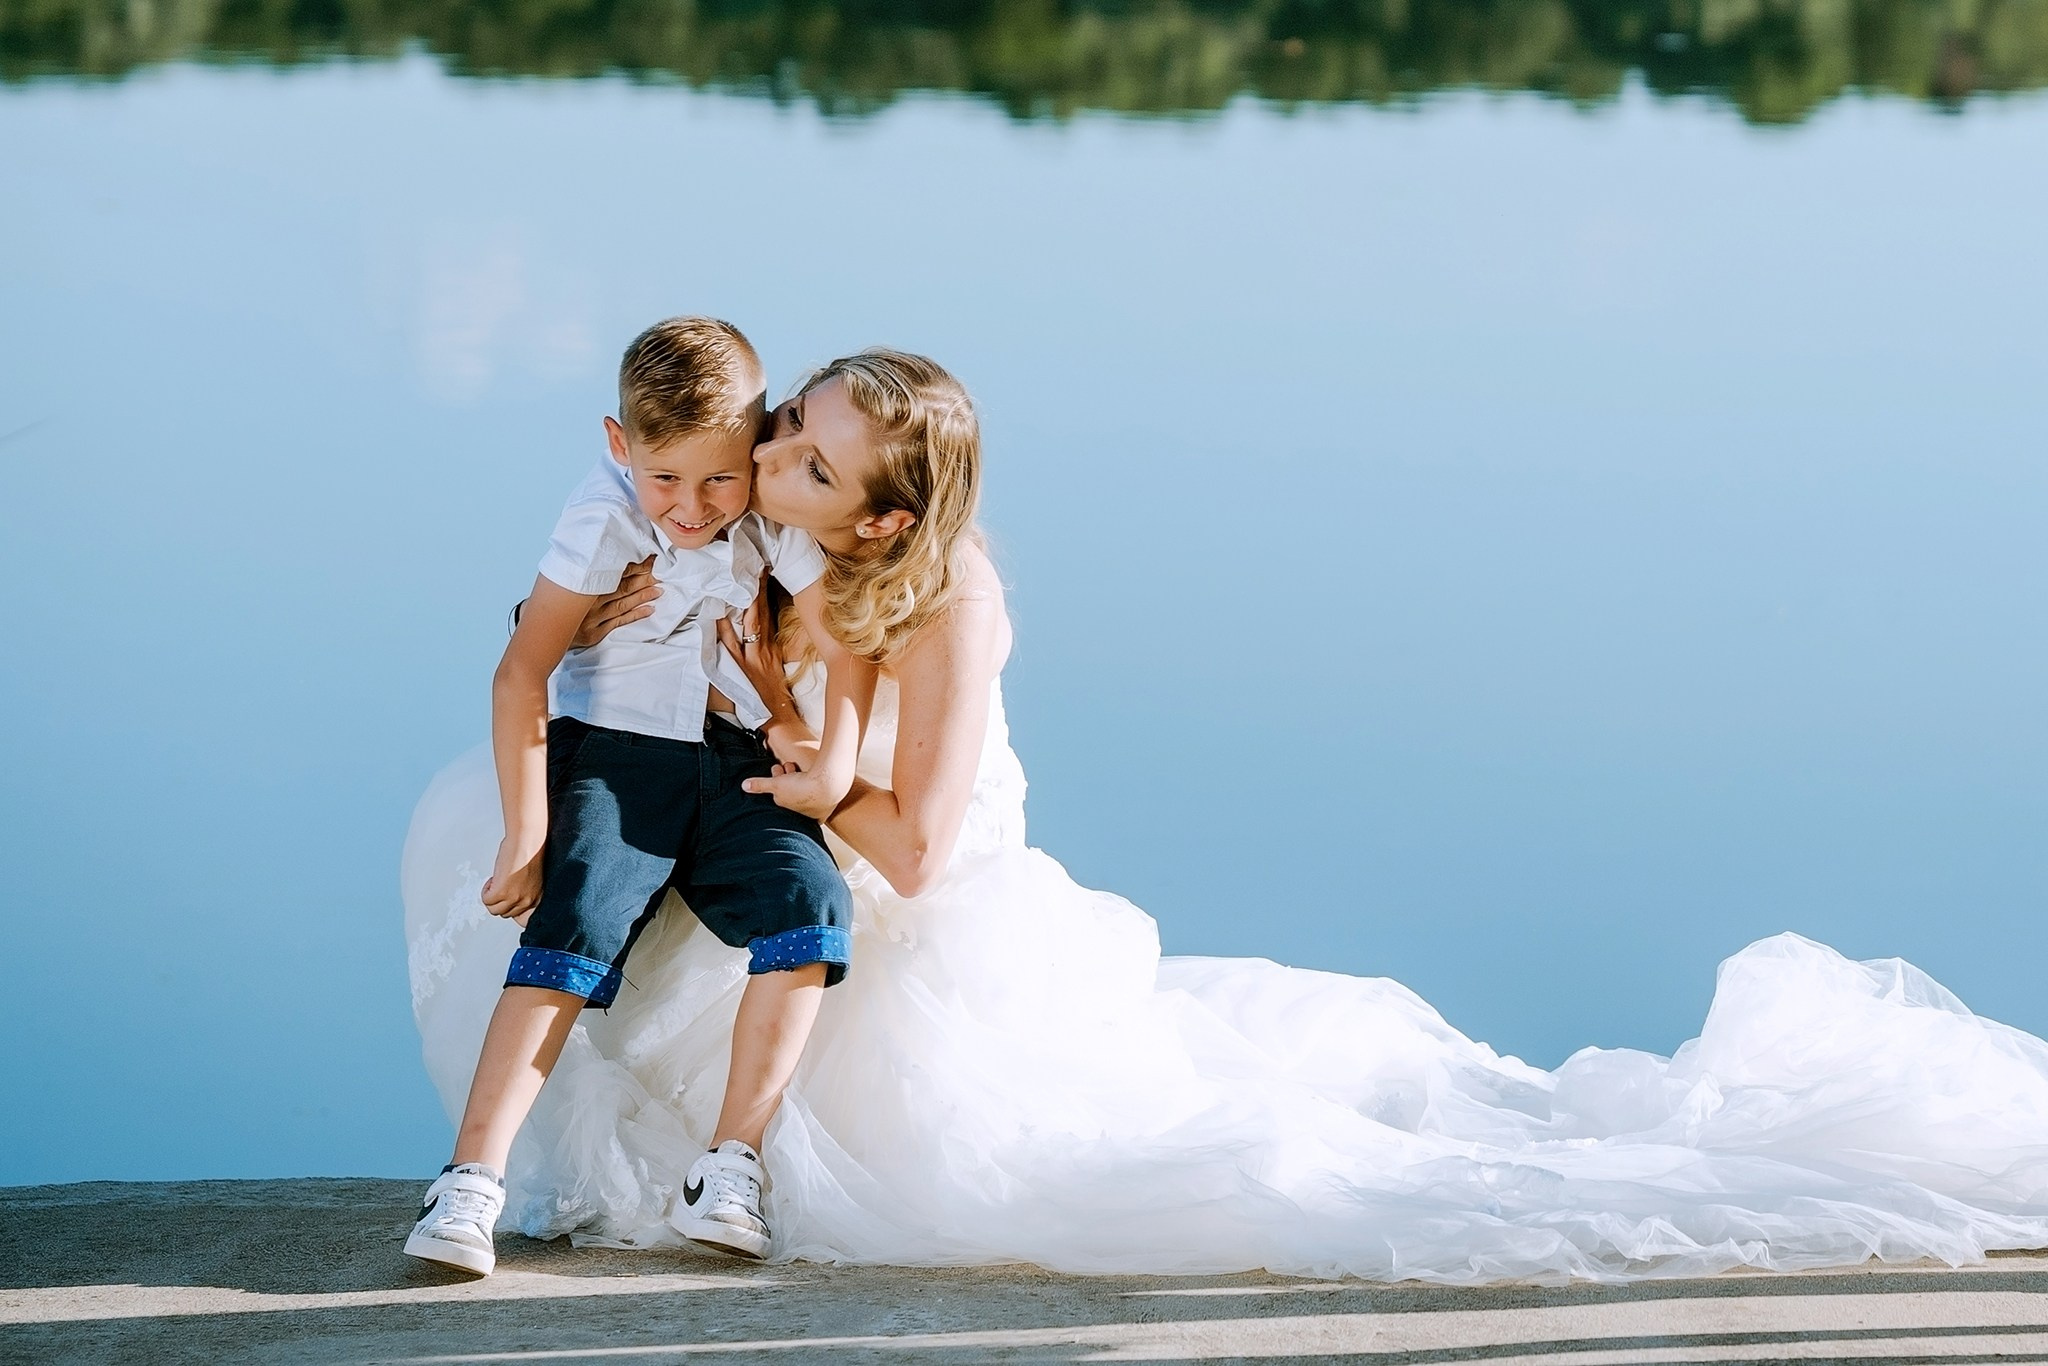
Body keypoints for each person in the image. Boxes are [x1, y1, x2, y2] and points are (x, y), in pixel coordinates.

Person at [405, 346, 2048, 1283]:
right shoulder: (768, 545)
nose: (760, 465)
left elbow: (908, 842)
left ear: (878, 509)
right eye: (779, 438)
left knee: (1092, 1160)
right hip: (767, 811)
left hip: (909, 876)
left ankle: (718, 1158)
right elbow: (671, 612)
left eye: (797, 459)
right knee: (528, 845)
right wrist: (646, 637)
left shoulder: (945, 600)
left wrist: (825, 778)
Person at [404, 318, 871, 1276]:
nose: (692, 507)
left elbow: (844, 639)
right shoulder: (602, 514)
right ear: (621, 447)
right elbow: (520, 670)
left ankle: (730, 1165)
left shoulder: (769, 510)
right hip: (616, 751)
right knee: (578, 912)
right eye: (665, 478)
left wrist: (830, 759)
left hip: (733, 752)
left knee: (811, 907)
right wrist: (525, 828)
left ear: (753, 452)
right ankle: (467, 1182)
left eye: (719, 478)